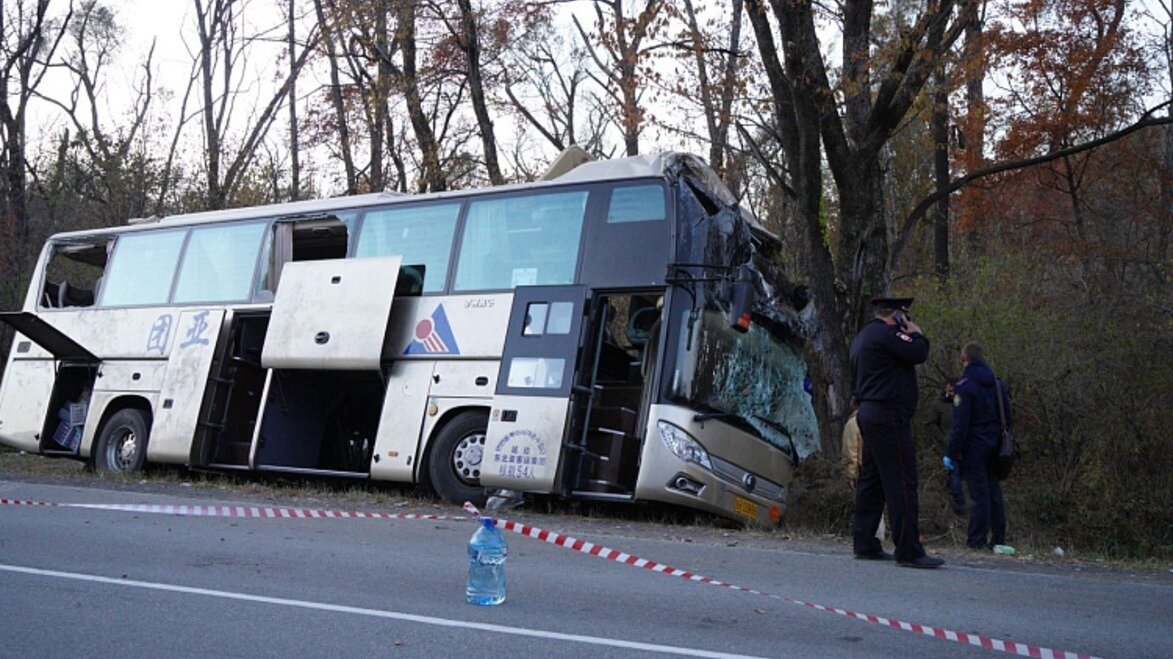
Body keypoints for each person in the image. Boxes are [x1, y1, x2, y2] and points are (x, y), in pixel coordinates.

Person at [849, 297, 944, 568]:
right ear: (897, 315)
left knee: (873, 480)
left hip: (869, 412)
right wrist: (918, 334)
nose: (909, 320)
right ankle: (909, 550)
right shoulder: (888, 335)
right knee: (902, 481)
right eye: (906, 315)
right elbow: (918, 353)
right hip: (888, 415)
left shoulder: (864, 336)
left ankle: (865, 542)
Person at [945, 343, 1011, 550]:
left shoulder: (964, 387)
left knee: (979, 495)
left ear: (965, 358)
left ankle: (976, 540)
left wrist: (951, 453)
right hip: (996, 446)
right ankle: (998, 538)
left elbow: (960, 425)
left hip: (974, 447)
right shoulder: (998, 385)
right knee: (994, 494)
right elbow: (1008, 417)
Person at [840, 407, 885, 541]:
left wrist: (850, 474)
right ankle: (877, 536)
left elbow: (850, 451)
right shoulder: (879, 419)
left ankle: (869, 537)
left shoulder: (853, 423)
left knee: (865, 505)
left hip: (863, 468)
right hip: (879, 467)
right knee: (877, 504)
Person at [925, 378, 965, 514]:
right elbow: (931, 424)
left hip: (966, 444)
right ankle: (960, 504)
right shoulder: (937, 405)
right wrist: (943, 439)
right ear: (945, 389)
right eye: (950, 390)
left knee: (960, 473)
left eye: (954, 390)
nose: (952, 392)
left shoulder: (963, 403)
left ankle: (956, 497)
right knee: (954, 472)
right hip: (949, 444)